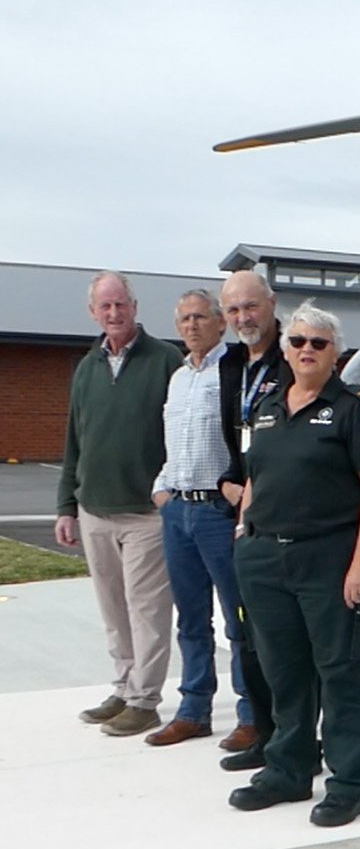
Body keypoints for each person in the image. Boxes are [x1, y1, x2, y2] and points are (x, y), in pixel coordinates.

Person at [229, 302, 360, 828]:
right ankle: (288, 770)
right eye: (297, 341)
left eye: (318, 343)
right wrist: (244, 524)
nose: (306, 350)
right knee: (284, 672)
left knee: (341, 671)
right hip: (264, 560)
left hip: (329, 559)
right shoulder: (268, 407)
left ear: (335, 353)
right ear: (285, 348)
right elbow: (257, 473)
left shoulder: (354, 409)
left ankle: (349, 784)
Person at [56, 271, 184, 737]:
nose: (114, 313)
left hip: (146, 513)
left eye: (121, 304)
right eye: (105, 306)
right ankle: (124, 685)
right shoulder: (87, 367)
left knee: (146, 609)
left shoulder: (166, 361)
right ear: (93, 312)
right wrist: (66, 504)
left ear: (135, 306)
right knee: (113, 610)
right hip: (94, 510)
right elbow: (74, 440)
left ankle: (145, 700)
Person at [145, 290, 253, 747]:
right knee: (190, 619)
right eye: (184, 318)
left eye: (200, 317)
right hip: (178, 511)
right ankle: (193, 710)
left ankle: (252, 713)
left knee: (240, 618)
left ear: (219, 323)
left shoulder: (236, 371)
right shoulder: (178, 378)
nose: (191, 326)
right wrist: (161, 490)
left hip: (217, 511)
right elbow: (171, 441)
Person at [215, 270, 288, 768]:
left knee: (285, 642)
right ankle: (264, 734)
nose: (243, 317)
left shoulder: (298, 356)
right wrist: (228, 481)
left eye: (251, 306)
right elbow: (234, 438)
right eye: (234, 310)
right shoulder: (230, 365)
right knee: (250, 635)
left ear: (271, 303)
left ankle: (294, 739)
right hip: (241, 515)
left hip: (284, 517)